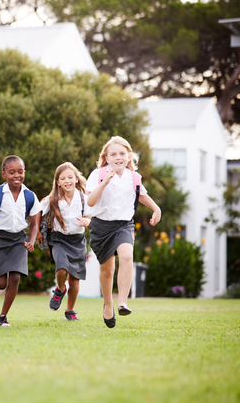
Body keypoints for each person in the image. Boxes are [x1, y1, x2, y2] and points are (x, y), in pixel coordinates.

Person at [86, 136, 161, 328]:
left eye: (122, 153)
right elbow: (90, 202)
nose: (118, 157)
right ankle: (108, 304)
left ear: (129, 156)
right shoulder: (98, 174)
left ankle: (122, 302)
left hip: (123, 225)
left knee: (127, 256)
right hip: (101, 226)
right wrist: (104, 182)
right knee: (107, 270)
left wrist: (156, 209)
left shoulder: (134, 178)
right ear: (107, 157)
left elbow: (142, 195)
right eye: (113, 154)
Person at [0, 155, 42, 327]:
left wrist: (31, 241)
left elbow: (34, 224)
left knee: (15, 277)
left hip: (18, 240)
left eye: (20, 172)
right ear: (4, 175)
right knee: (1, 284)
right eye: (12, 172)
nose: (17, 175)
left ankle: (3, 316)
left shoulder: (30, 196)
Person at [38, 162, 90, 321]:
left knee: (75, 280)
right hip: (58, 239)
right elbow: (37, 212)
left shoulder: (84, 199)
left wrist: (86, 221)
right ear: (57, 182)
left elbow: (89, 216)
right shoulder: (51, 200)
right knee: (61, 269)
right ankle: (60, 289)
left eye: (70, 177)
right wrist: (38, 232)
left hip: (78, 241)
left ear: (75, 179)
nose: (67, 180)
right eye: (63, 178)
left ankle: (70, 310)